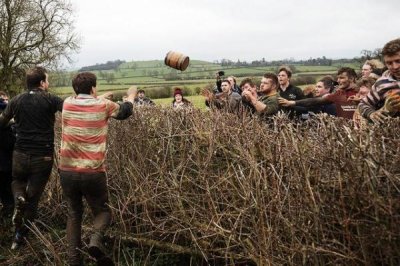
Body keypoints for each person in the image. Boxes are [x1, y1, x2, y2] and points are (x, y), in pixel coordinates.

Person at [58, 72, 136, 265]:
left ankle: (74, 260)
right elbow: (125, 111)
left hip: (67, 170)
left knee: (74, 214)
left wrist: (100, 97)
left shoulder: (67, 103)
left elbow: (87, 103)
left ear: (75, 89)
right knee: (103, 212)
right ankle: (95, 241)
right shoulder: (103, 106)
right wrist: (131, 95)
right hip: (93, 171)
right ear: (93, 88)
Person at [0, 67, 64, 250]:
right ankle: (20, 237)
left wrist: (14, 121)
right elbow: (71, 109)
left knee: (17, 182)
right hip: (42, 156)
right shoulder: (50, 99)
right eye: (48, 80)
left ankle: (18, 197)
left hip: (20, 153)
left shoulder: (16, 100)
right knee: (33, 199)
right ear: (42, 83)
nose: (48, 83)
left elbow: (2, 122)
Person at [279, 67, 358, 119]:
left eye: (342, 78)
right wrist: (291, 103)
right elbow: (315, 101)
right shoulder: (338, 95)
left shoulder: (362, 92)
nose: (338, 81)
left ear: (351, 78)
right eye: (338, 78)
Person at [359, 38, 400, 124]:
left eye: (398, 61)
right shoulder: (381, 83)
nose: (395, 67)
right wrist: (372, 114)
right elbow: (362, 105)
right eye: (389, 63)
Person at [0, 91, 15, 220]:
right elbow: (8, 144)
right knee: (7, 190)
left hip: (6, 162)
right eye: (3, 100)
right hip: (5, 163)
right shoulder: (7, 125)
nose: (5, 101)